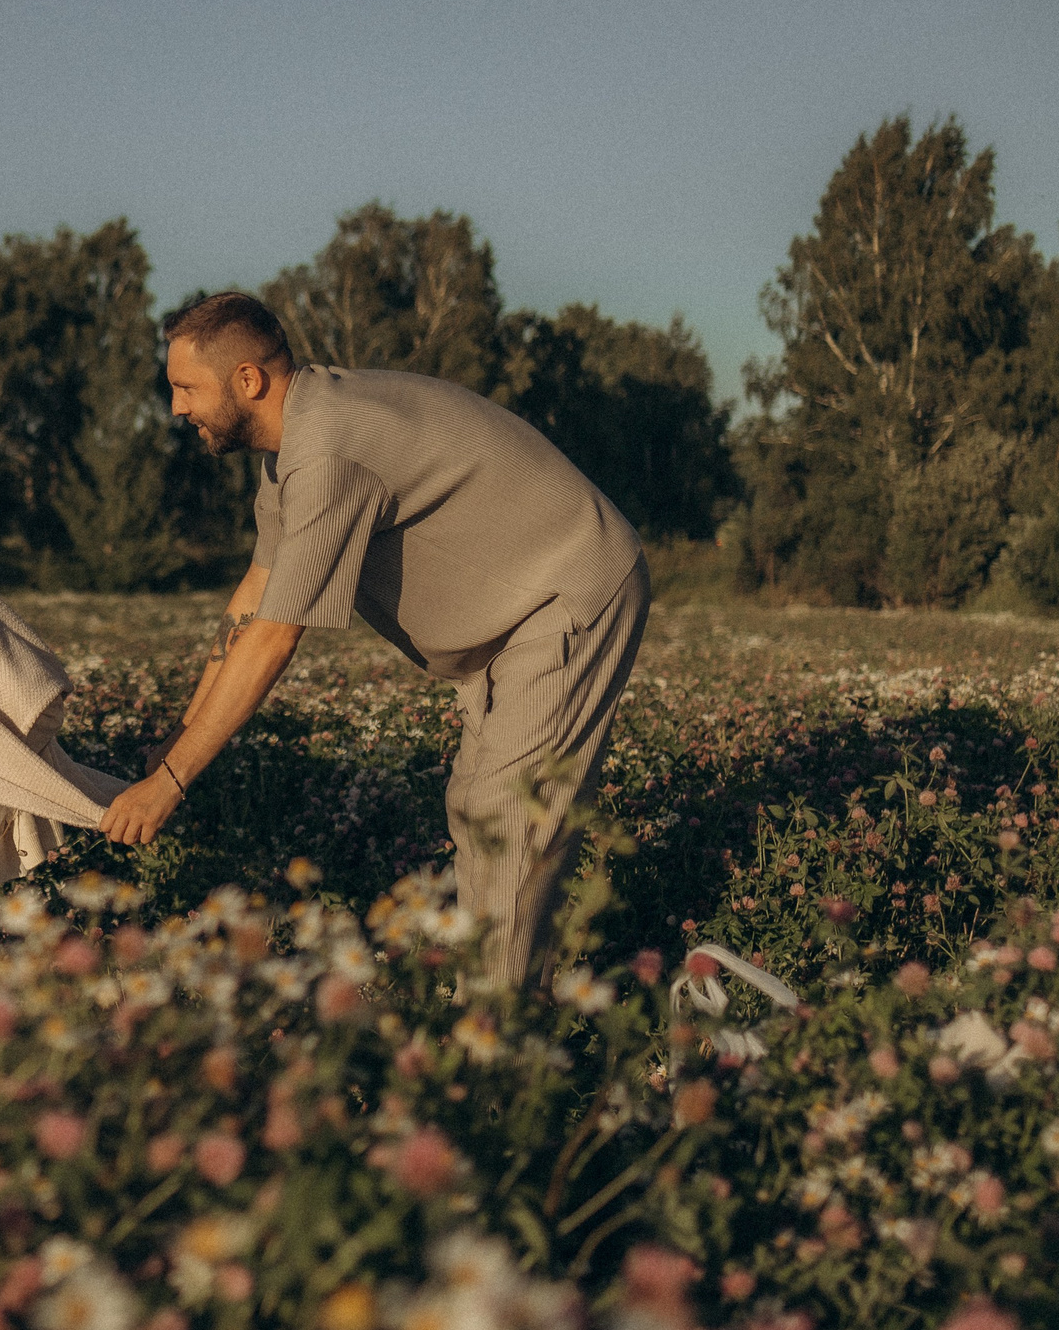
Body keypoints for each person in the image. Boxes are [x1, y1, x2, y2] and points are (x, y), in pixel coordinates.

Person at [101, 291, 649, 988]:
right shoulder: (287, 453)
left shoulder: (328, 450)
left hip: (570, 587)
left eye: (185, 388)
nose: (177, 408)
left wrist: (170, 783)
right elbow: (253, 597)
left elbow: (273, 637)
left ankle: (496, 1052)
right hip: (511, 621)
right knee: (476, 806)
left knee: (510, 819)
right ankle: (498, 1005)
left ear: (248, 380)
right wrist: (177, 738)